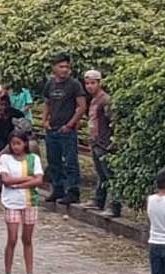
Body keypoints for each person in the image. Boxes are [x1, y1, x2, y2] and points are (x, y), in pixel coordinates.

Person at [0, 131, 44, 274]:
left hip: (30, 201)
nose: (16, 147)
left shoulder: (34, 159)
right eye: (13, 144)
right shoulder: (5, 159)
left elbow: (39, 180)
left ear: (25, 144)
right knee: (12, 238)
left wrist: (19, 185)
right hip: (11, 202)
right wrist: (27, 180)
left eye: (19, 143)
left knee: (27, 239)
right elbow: (5, 180)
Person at [42, 54, 86, 205]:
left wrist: (70, 124)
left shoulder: (74, 85)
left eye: (67, 67)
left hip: (67, 130)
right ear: (54, 68)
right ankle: (57, 188)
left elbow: (81, 106)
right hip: (52, 128)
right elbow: (47, 102)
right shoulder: (50, 84)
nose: (65, 70)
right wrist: (45, 120)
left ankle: (73, 191)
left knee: (70, 161)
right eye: (61, 67)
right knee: (53, 161)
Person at [83, 70, 120, 217]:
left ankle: (114, 206)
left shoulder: (105, 100)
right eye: (87, 83)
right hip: (95, 142)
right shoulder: (93, 100)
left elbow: (113, 121)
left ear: (99, 83)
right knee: (101, 174)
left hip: (104, 143)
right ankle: (98, 200)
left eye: (93, 83)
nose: (90, 86)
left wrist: (113, 140)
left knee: (110, 175)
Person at [0, 88, 24, 161]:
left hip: (14, 142)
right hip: (1, 141)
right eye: (1, 105)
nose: (4, 107)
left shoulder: (17, 114)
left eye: (5, 105)